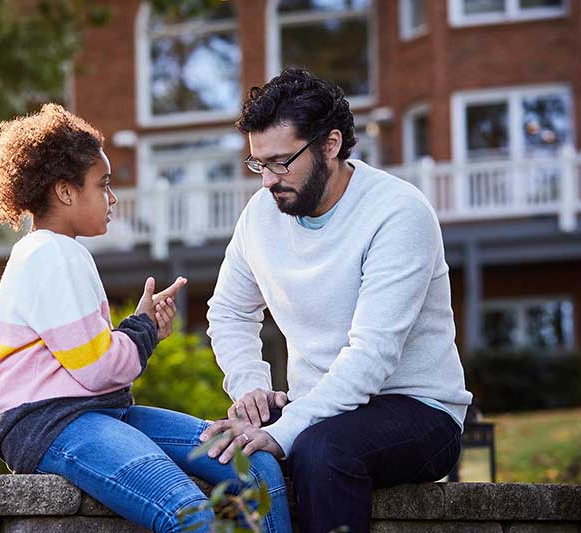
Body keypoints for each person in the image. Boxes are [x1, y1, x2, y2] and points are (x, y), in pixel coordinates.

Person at [0, 103, 292, 533]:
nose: (111, 199)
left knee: (253, 464)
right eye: (102, 185)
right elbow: (99, 369)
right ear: (65, 191)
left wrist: (141, 328)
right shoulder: (49, 255)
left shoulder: (62, 253)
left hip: (101, 412)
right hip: (55, 424)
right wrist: (143, 330)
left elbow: (95, 367)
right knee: (188, 514)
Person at [200, 68, 473, 533]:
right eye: (258, 164)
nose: (267, 181)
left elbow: (372, 356)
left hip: (416, 408)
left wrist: (281, 431)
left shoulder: (396, 212)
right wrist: (249, 389)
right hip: (319, 406)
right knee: (220, 447)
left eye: (281, 162)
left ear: (330, 144)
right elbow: (228, 310)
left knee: (322, 451)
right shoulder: (261, 214)